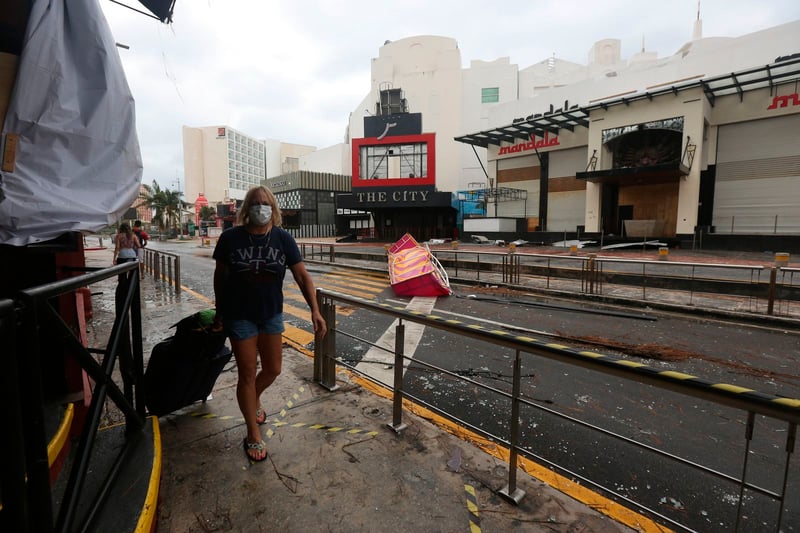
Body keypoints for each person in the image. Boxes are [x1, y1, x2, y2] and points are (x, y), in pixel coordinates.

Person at [212, 185, 326, 462]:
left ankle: (253, 401)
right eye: (255, 203)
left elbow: (302, 276)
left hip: (271, 314)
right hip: (240, 316)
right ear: (246, 209)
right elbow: (220, 277)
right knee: (247, 375)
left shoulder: (283, 238)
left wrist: (315, 310)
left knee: (273, 369)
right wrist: (220, 311)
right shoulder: (230, 238)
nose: (260, 207)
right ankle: (253, 433)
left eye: (265, 203)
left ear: (273, 209)